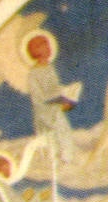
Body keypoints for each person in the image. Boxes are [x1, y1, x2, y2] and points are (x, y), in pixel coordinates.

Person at [23, 30, 79, 166]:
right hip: (45, 111)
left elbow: (53, 89)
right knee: (59, 129)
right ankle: (63, 158)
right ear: (36, 51)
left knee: (63, 129)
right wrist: (63, 97)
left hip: (53, 106)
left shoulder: (48, 68)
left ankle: (66, 158)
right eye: (44, 45)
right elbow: (46, 94)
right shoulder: (35, 72)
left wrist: (66, 99)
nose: (49, 48)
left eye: (48, 45)